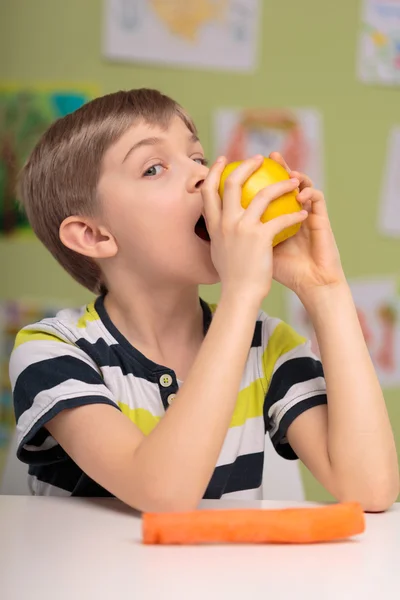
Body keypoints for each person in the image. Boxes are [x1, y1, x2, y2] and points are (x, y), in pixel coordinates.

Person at [9, 88, 398, 512]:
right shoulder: (51, 351)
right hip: (100, 578)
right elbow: (162, 493)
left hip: (221, 579)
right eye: (154, 168)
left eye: (196, 157)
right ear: (94, 235)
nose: (202, 175)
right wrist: (240, 294)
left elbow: (370, 489)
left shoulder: (266, 346)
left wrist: (325, 289)